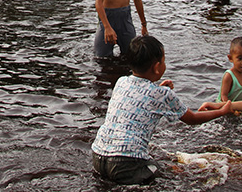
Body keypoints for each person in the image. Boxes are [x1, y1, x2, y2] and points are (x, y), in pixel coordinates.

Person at [91, 35, 232, 184]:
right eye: (164, 61)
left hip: (98, 156)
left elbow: (139, 98)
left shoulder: (122, 81)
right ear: (157, 67)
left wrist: (159, 88)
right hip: (125, 162)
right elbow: (193, 119)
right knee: (165, 173)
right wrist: (222, 111)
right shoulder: (163, 94)